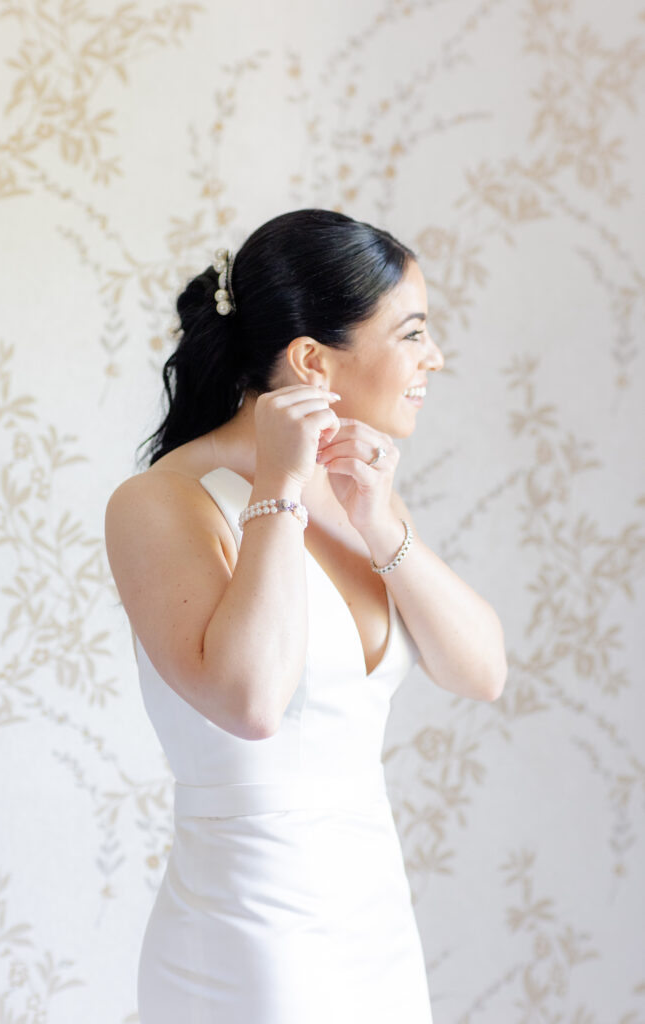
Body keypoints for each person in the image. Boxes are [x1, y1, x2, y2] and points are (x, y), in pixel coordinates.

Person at [104, 207, 507, 1023]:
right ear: (313, 361)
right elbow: (250, 702)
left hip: (376, 919)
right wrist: (278, 490)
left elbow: (482, 672)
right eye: (412, 333)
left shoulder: (360, 492)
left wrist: (381, 525)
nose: (436, 358)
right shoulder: (162, 502)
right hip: (249, 934)